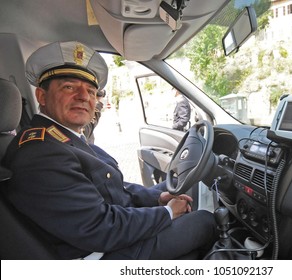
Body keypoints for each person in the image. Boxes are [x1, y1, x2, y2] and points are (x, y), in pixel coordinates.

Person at [2, 41, 217, 260]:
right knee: (204, 221)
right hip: (99, 254)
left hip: (107, 233)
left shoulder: (62, 137)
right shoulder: (41, 152)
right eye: (69, 87)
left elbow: (114, 188)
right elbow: (100, 227)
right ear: (41, 96)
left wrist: (157, 198)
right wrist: (168, 212)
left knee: (180, 185)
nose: (84, 97)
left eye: (91, 91)